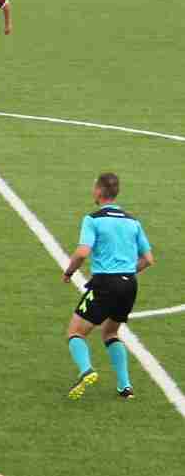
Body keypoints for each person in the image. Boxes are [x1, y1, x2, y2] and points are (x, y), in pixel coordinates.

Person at [62, 172, 153, 401]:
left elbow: (82, 252)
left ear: (100, 191)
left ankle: (86, 370)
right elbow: (148, 259)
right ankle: (125, 387)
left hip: (105, 284)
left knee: (75, 332)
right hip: (129, 284)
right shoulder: (133, 221)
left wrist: (69, 272)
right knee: (111, 332)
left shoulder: (93, 219)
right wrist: (127, 273)